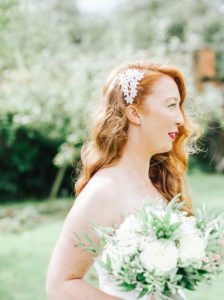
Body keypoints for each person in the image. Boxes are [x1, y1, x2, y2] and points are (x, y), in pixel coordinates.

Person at [46, 60, 201, 299]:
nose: (180, 119)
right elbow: (59, 285)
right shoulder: (104, 192)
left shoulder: (159, 182)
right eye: (171, 105)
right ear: (135, 113)